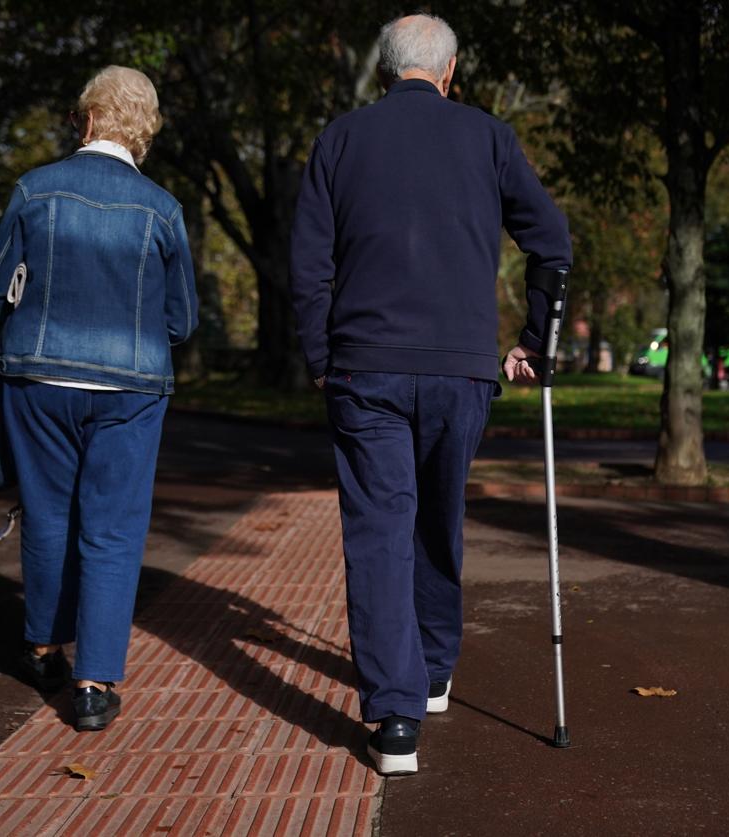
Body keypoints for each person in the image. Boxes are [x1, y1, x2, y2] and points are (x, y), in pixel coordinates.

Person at [290, 14, 571, 776]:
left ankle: (395, 714)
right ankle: (434, 668)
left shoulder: (340, 140)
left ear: (387, 72)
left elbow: (309, 263)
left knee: (380, 527)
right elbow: (552, 242)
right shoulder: (488, 137)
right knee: (438, 513)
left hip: (365, 366)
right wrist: (535, 342)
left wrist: (321, 355)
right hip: (461, 367)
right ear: (449, 73)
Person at [0, 66, 198, 732]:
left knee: (47, 516)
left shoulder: (33, 190)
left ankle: (43, 645)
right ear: (142, 131)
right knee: (114, 529)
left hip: (38, 379)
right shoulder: (163, 210)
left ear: (88, 119)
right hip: (131, 387)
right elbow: (181, 321)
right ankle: (94, 682)